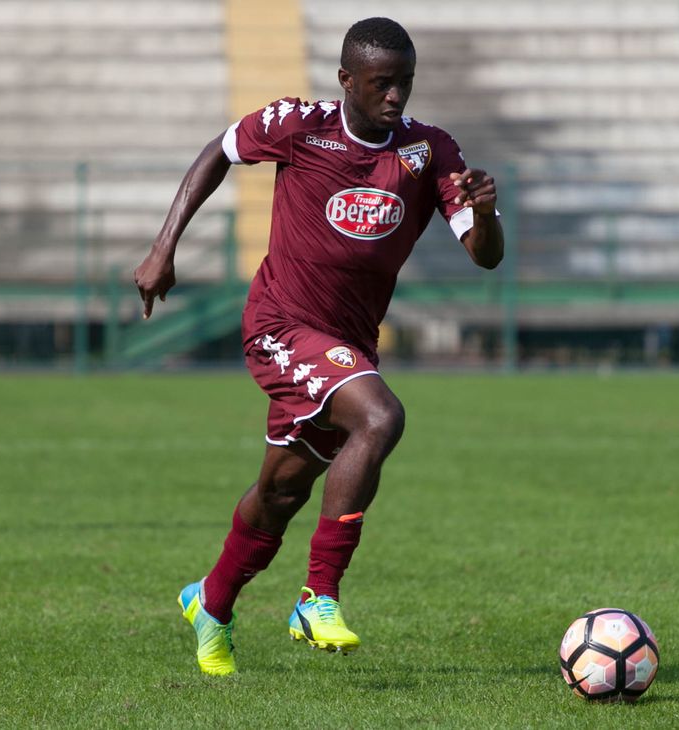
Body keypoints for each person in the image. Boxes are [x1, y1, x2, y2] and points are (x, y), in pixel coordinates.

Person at [134, 17, 503, 676]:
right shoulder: (300, 125)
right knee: (381, 417)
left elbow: (483, 256)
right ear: (346, 81)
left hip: (349, 345)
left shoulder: (431, 150)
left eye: (404, 83)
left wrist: (488, 214)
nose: (395, 97)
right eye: (381, 83)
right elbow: (217, 150)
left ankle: (210, 602)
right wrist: (164, 248)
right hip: (280, 325)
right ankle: (318, 596)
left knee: (282, 491)